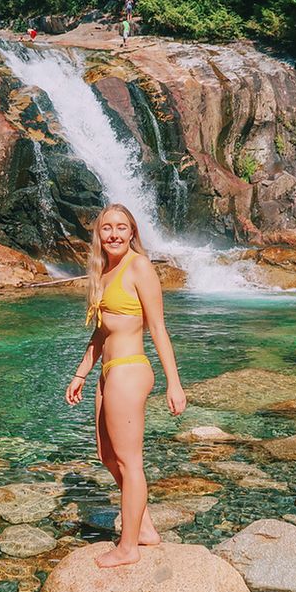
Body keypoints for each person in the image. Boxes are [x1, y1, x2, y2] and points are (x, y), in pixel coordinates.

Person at [65, 204, 187, 568]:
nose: (114, 234)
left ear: (133, 232)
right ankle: (144, 527)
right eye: (107, 228)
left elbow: (158, 328)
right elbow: (103, 330)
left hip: (130, 371)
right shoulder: (104, 270)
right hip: (108, 371)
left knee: (130, 462)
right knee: (107, 455)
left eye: (122, 227)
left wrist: (174, 384)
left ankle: (129, 546)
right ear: (98, 235)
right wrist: (81, 373)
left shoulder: (139, 267)